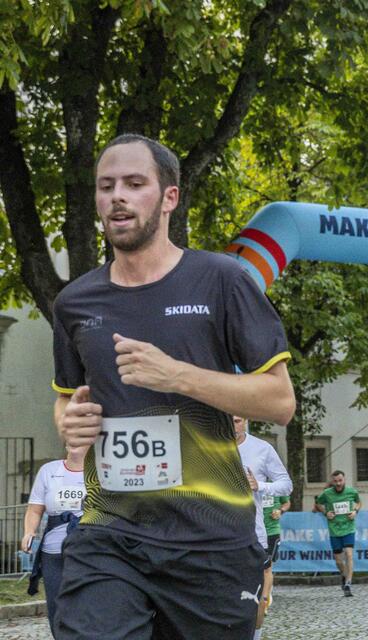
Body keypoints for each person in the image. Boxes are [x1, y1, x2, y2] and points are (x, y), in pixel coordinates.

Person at [51, 134, 295, 639]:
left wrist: (176, 375)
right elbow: (66, 403)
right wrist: (70, 423)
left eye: (135, 184)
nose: (117, 196)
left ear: (169, 197)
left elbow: (280, 400)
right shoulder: (74, 303)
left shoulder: (222, 280)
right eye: (106, 186)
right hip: (110, 531)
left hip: (210, 538)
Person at [235, 416, 293, 640]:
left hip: (253, 534)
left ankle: (256, 635)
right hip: (216, 535)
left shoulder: (261, 448)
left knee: (254, 599)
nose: (233, 425)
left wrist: (260, 485)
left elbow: (285, 484)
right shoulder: (210, 446)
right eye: (228, 420)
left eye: (238, 420)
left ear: (246, 420)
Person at [22, 447, 86, 635]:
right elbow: (34, 510)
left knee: (86, 605)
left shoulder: (101, 472)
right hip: (54, 552)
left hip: (89, 550)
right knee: (57, 608)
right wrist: (29, 532)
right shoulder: (49, 471)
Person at [314, 470, 361, 597]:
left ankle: (348, 583)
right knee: (339, 561)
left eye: (340, 480)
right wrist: (325, 512)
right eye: (335, 481)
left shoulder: (352, 491)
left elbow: (358, 502)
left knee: (349, 554)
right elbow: (318, 503)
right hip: (334, 530)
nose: (338, 483)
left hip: (348, 528)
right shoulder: (327, 493)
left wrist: (355, 511)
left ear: (344, 479)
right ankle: (344, 576)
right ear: (332, 482)